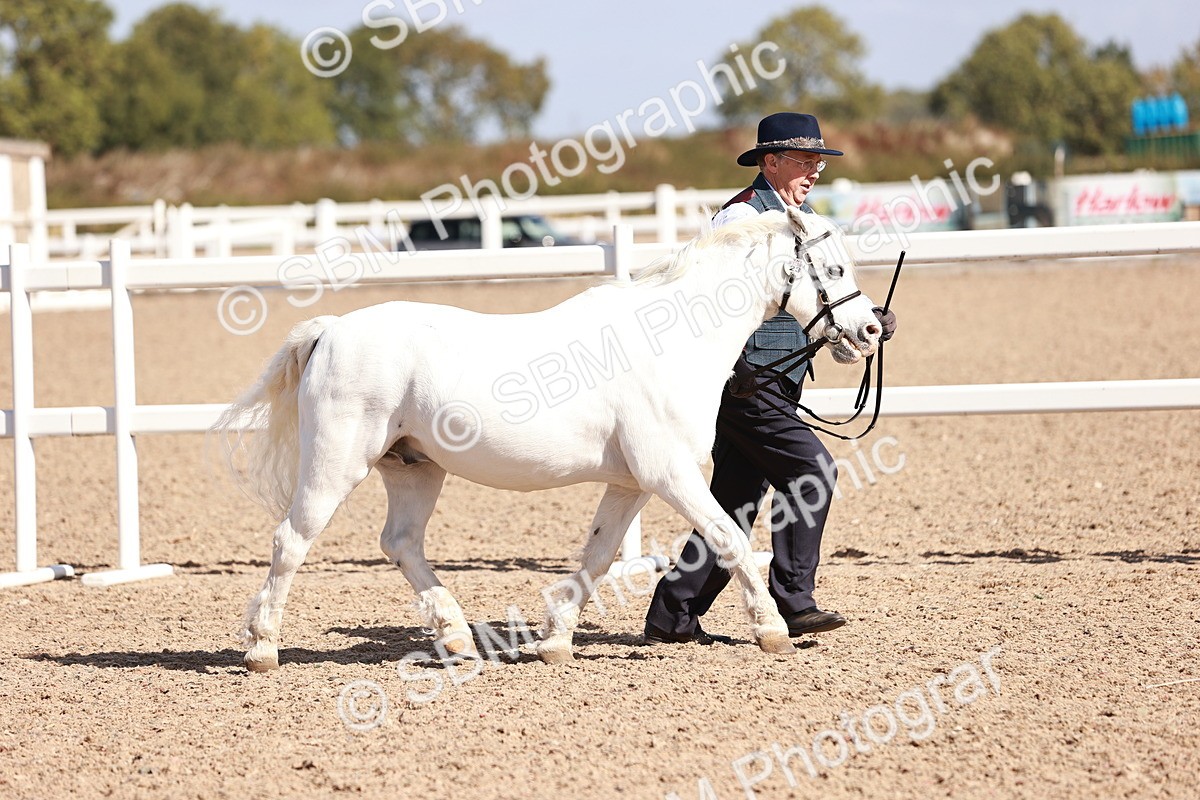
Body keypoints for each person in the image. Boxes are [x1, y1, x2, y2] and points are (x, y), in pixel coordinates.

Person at [643, 112, 896, 645]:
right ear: (770, 161)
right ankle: (794, 600)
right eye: (805, 162)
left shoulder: (804, 222)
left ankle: (673, 615)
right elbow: (705, 305)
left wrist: (869, 316)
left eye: (818, 162)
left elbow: (818, 292)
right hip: (743, 383)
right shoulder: (738, 219)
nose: (815, 172)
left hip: (778, 379)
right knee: (812, 473)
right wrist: (736, 372)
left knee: (734, 502)